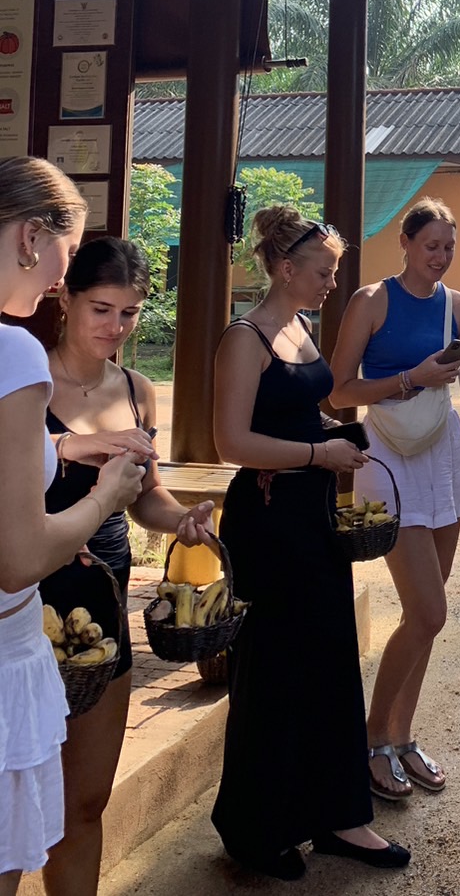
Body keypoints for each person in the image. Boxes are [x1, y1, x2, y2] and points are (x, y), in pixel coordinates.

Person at [210, 206, 410, 880]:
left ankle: (338, 815)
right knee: (273, 671)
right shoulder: (245, 338)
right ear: (284, 267)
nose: (332, 283)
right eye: (322, 271)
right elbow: (232, 441)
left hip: (312, 513)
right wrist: (318, 453)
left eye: (333, 271)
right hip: (268, 521)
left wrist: (334, 432)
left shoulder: (299, 326)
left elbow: (296, 408)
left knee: (328, 660)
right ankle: (255, 826)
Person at [40, 237, 215, 896]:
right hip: (27, 599)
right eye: (101, 308)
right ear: (66, 298)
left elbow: (146, 498)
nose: (115, 327)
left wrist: (183, 519)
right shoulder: (26, 383)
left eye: (130, 313)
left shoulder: (138, 390)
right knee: (17, 802)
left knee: (86, 801)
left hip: (103, 605)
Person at [330, 197, 460, 802]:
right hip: (388, 457)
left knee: (423, 619)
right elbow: (339, 392)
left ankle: (401, 737)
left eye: (449, 248)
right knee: (430, 612)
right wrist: (412, 378)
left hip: (441, 456)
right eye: (431, 245)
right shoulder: (371, 301)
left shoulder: (457, 308)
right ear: (405, 244)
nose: (440, 257)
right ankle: (371, 741)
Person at [0, 158, 145, 896]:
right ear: (32, 237)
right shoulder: (16, 352)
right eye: (69, 251)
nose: (61, 273)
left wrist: (61, 447)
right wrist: (104, 497)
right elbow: (19, 556)